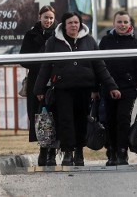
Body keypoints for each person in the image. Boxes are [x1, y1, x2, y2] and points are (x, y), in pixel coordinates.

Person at [34, 11, 121, 166]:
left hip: (83, 87)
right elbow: (46, 66)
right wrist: (39, 89)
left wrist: (112, 86)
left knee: (81, 120)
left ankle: (79, 152)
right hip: (62, 88)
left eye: (76, 22)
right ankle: (67, 152)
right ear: (64, 25)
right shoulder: (54, 42)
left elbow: (100, 66)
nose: (74, 25)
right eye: (70, 23)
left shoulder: (89, 41)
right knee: (65, 120)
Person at [98, 10, 137, 166]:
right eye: (119, 22)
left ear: (130, 24)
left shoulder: (136, 43)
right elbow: (98, 66)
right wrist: (95, 89)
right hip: (108, 88)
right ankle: (111, 152)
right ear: (114, 23)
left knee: (123, 120)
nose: (122, 25)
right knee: (110, 121)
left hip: (128, 89)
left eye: (125, 22)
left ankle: (122, 152)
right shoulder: (105, 41)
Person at [19, 5, 58, 166]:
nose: (48, 21)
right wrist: (41, 65)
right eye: (45, 17)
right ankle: (43, 150)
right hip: (36, 82)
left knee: (55, 116)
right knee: (40, 117)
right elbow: (23, 58)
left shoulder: (58, 34)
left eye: (51, 18)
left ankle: (53, 152)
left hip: (56, 81)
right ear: (39, 17)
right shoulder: (31, 34)